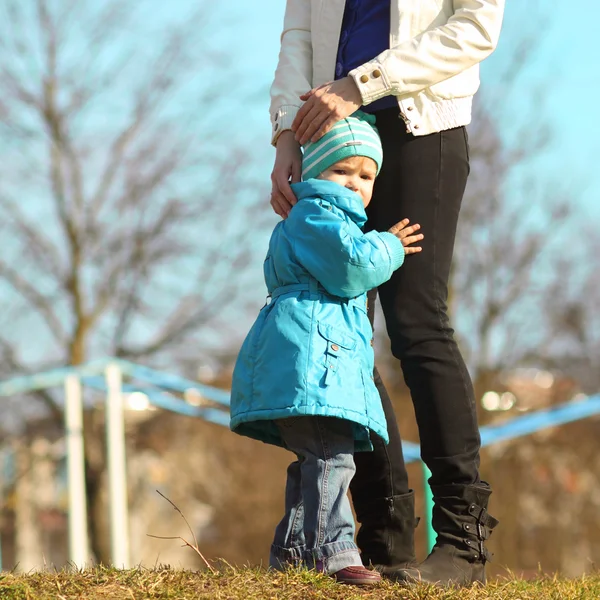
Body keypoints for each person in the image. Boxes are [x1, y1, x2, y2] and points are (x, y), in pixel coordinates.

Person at [268, 0, 505, 587]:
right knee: (337, 329)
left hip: (422, 130)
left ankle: (461, 540)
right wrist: (285, 136)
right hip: (333, 140)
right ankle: (384, 535)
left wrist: (360, 83)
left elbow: (477, 26)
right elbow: (299, 32)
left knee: (416, 322)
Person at [230, 113, 424, 586]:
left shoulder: (324, 217)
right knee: (331, 459)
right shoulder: (317, 214)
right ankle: (333, 552)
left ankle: (293, 553)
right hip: (312, 363)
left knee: (316, 459)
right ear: (315, 171)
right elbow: (350, 267)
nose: (355, 183)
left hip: (317, 362)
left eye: (365, 175)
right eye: (342, 170)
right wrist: (390, 247)